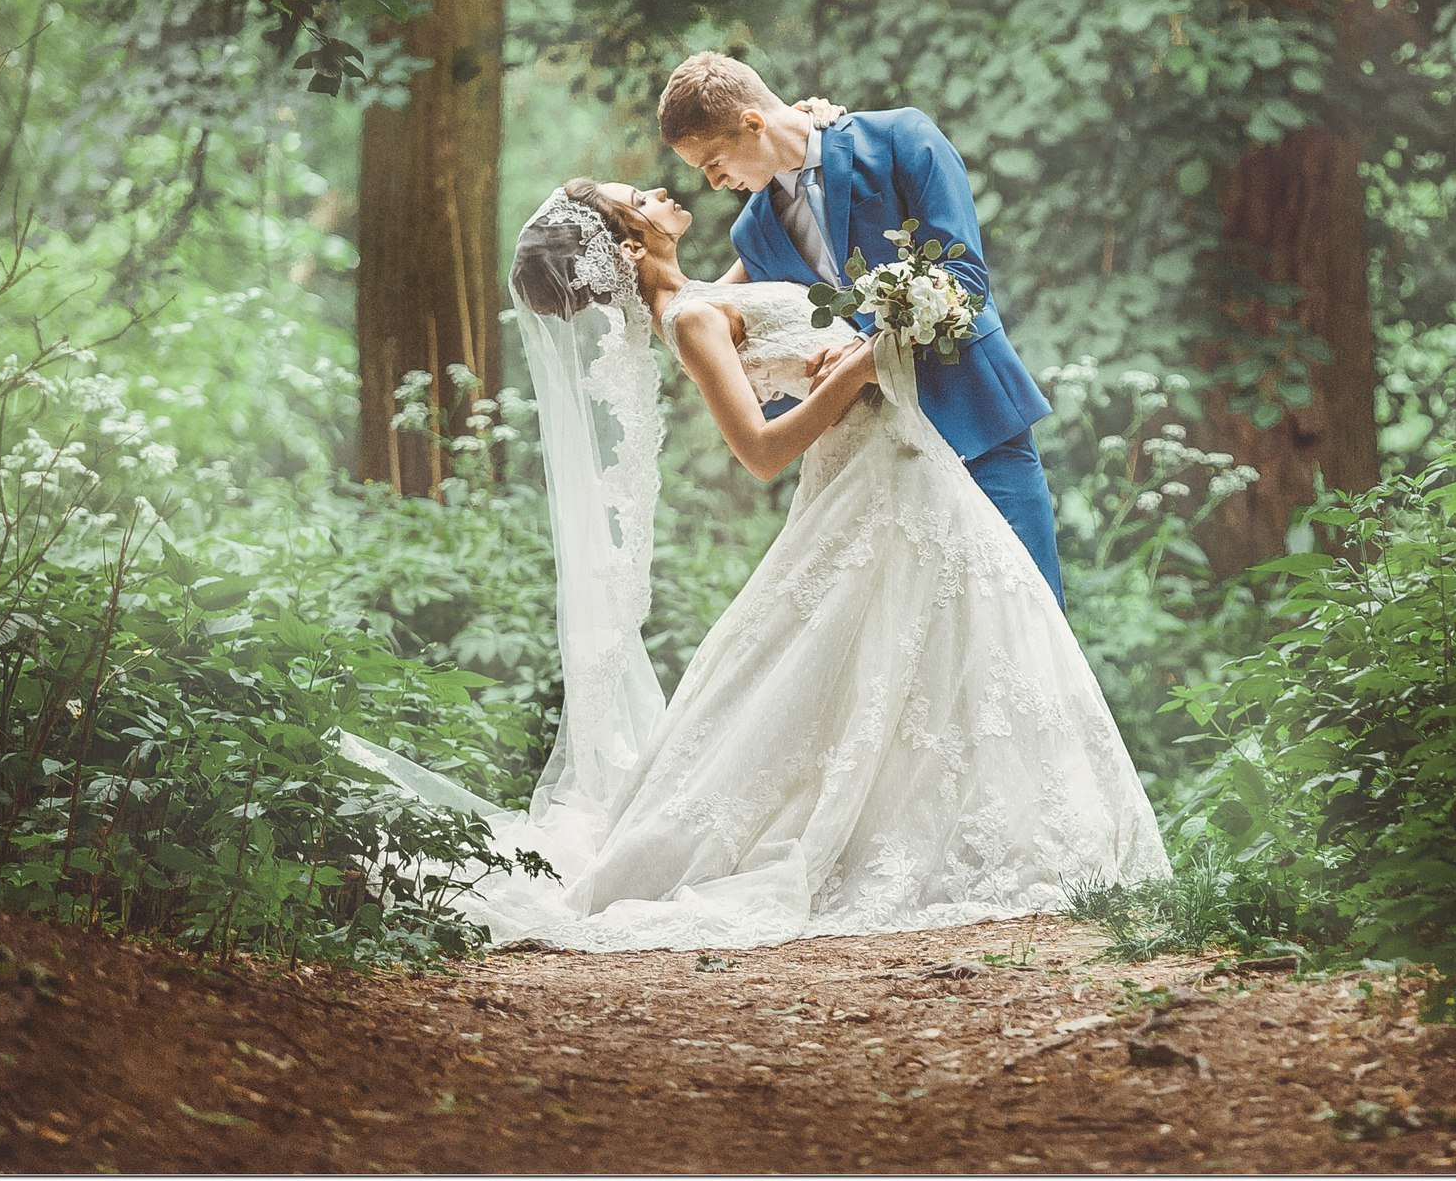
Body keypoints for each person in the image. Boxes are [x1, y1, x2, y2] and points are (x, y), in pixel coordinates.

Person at [381, 177, 1165, 953]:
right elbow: (760, 450)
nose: (661, 188)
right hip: (874, 477)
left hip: (899, 466)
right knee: (907, 650)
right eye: (641, 196)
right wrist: (863, 365)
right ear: (628, 242)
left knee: (944, 648)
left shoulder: (701, 296)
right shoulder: (689, 321)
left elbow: (785, 217)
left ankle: (991, 826)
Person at [657, 52, 1068, 605]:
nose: (712, 183)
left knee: (1032, 624)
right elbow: (726, 339)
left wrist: (867, 349)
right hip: (882, 466)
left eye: (712, 162)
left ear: (753, 123)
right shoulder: (753, 234)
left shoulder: (900, 138)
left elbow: (964, 279)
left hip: (979, 423)